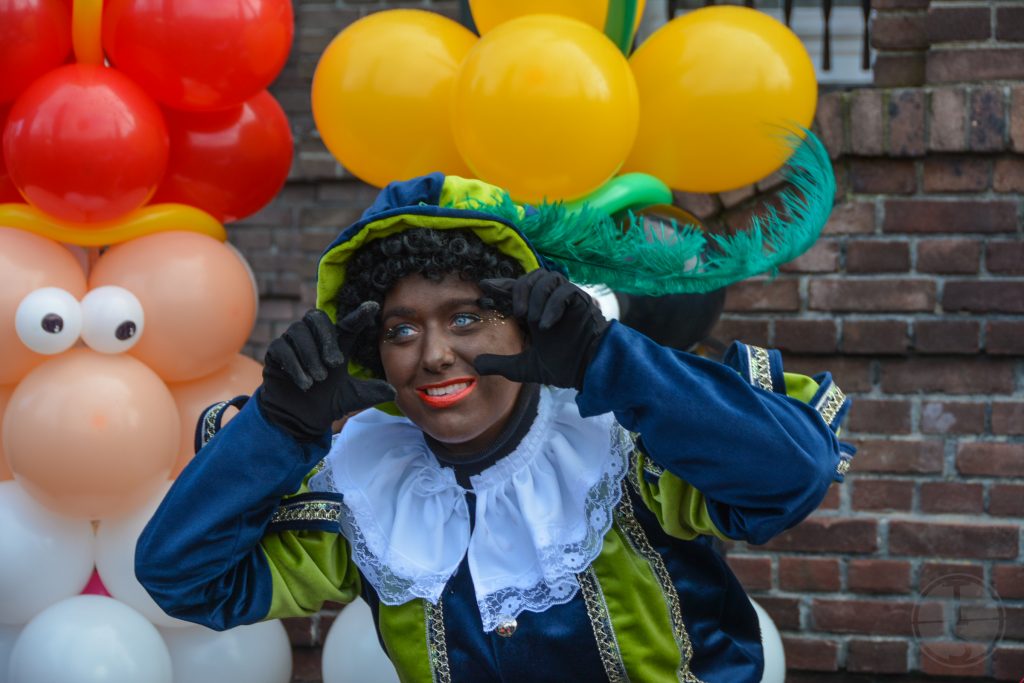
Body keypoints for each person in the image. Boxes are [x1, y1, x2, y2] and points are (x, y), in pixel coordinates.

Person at [137, 154, 853, 681]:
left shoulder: (621, 441)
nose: (435, 355)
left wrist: (608, 361)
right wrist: (279, 427)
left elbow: (793, 472)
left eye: (468, 316)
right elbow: (183, 577)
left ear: (527, 322)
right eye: (402, 330)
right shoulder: (363, 486)